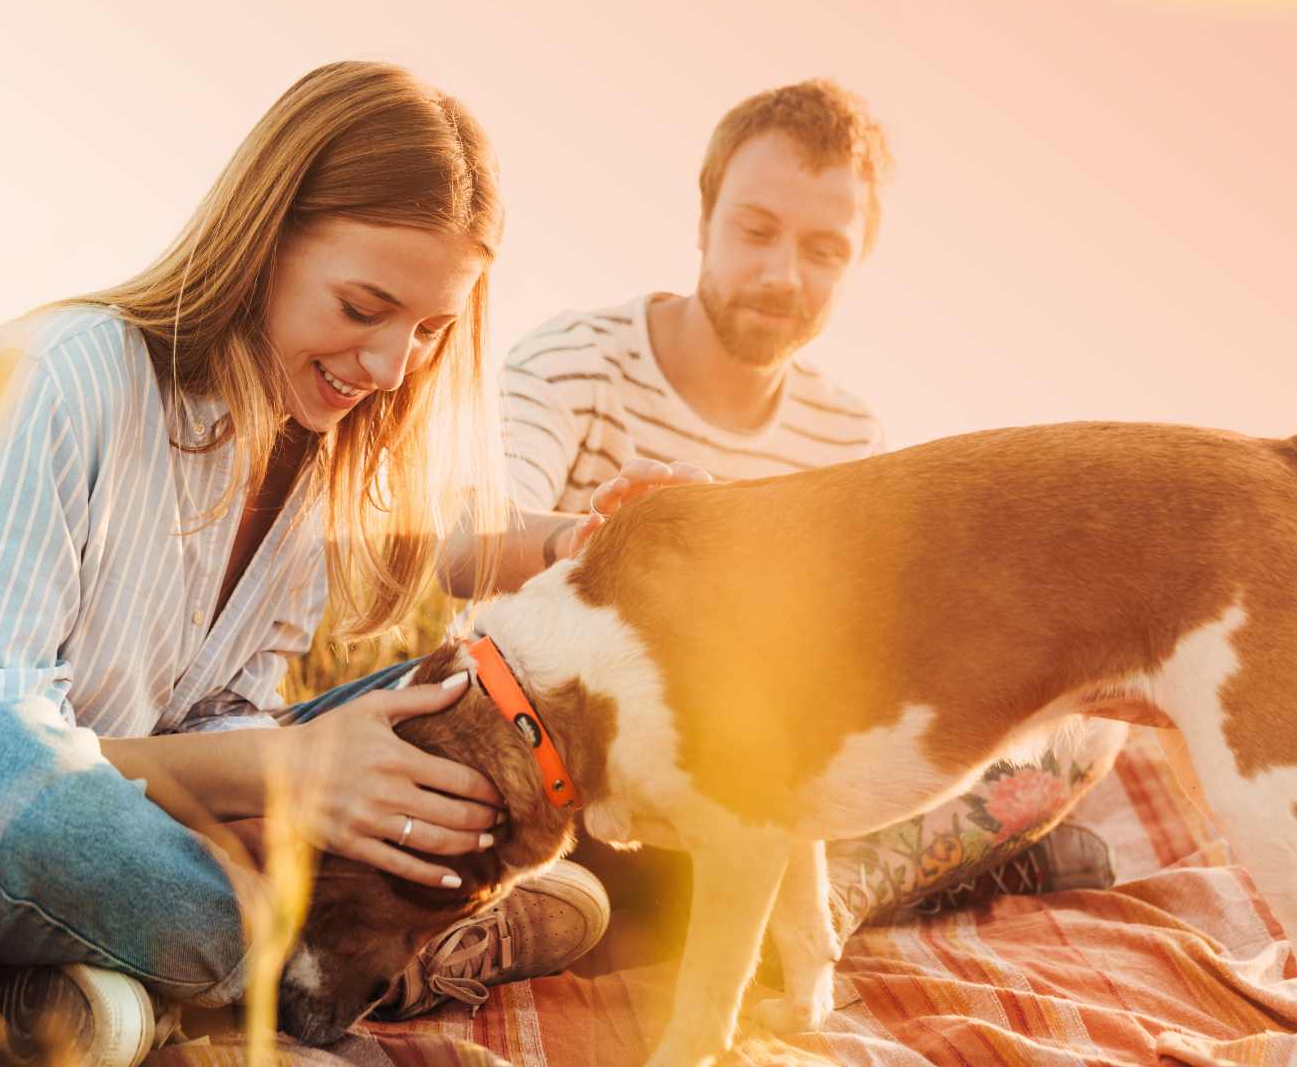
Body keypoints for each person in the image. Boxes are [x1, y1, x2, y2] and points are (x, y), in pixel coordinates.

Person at [0, 62, 610, 1067]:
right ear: (263, 239)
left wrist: (302, 775)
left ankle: (103, 988)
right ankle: (364, 955)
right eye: (362, 306)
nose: (387, 365)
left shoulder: (309, 459)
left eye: (428, 330)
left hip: (87, 837)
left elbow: (216, 726)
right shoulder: (53, 379)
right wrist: (285, 773)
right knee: (6, 782)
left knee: (455, 707)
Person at [432, 79, 1124, 996]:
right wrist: (582, 540)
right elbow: (461, 548)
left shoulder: (849, 436)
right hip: (587, 785)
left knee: (1087, 722)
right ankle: (751, 909)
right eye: (756, 231)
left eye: (824, 250)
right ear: (705, 220)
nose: (783, 275)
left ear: (856, 263)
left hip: (781, 792)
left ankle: (819, 911)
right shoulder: (574, 363)